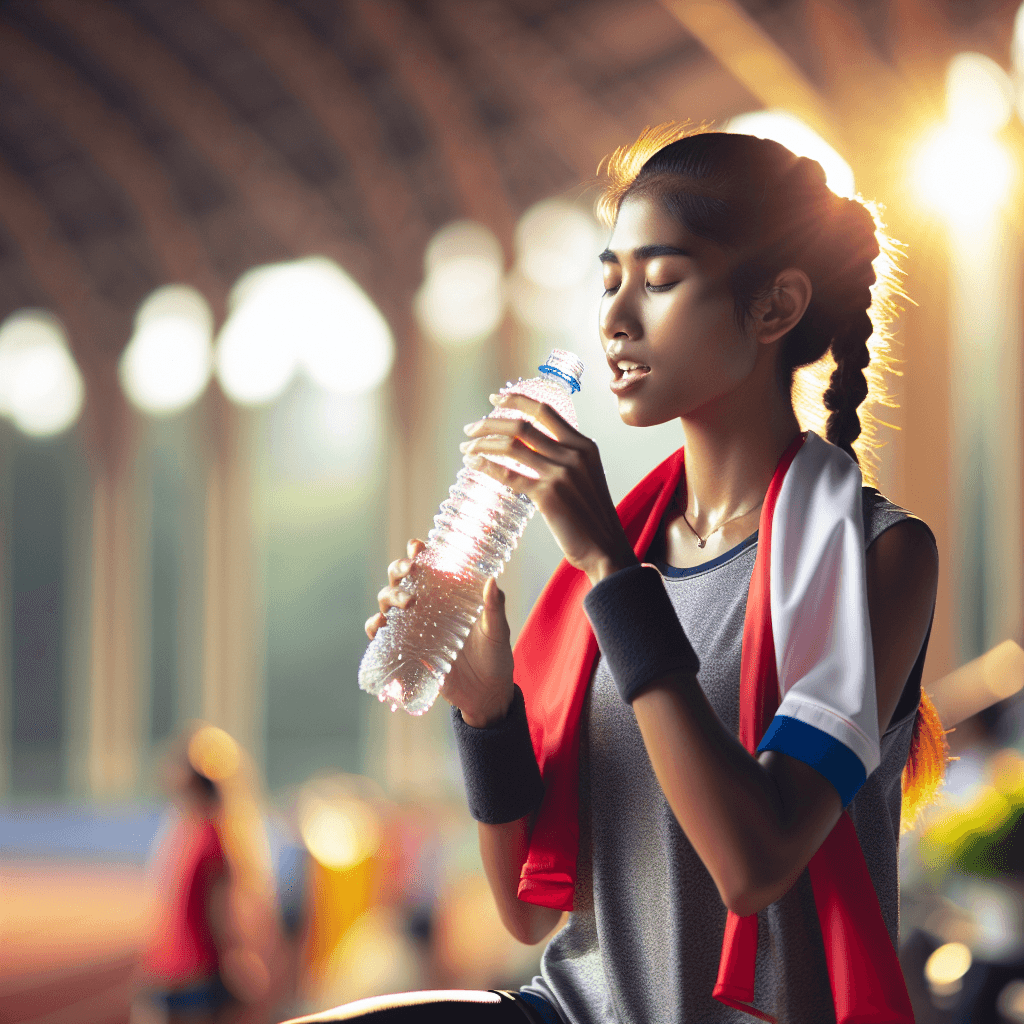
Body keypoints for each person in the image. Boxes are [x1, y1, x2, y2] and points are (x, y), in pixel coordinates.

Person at [305, 126, 946, 1024]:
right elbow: (527, 911)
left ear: (774, 308)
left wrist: (609, 566)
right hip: (571, 1006)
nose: (614, 317)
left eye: (660, 278)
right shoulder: (628, 555)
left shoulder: (880, 555)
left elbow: (756, 863)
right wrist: (488, 711)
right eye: (609, 279)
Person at [136, 723, 284, 1024]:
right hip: (186, 971)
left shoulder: (198, 832)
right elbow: (221, 907)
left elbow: (217, 906)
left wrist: (235, 958)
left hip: (186, 972)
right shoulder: (208, 830)